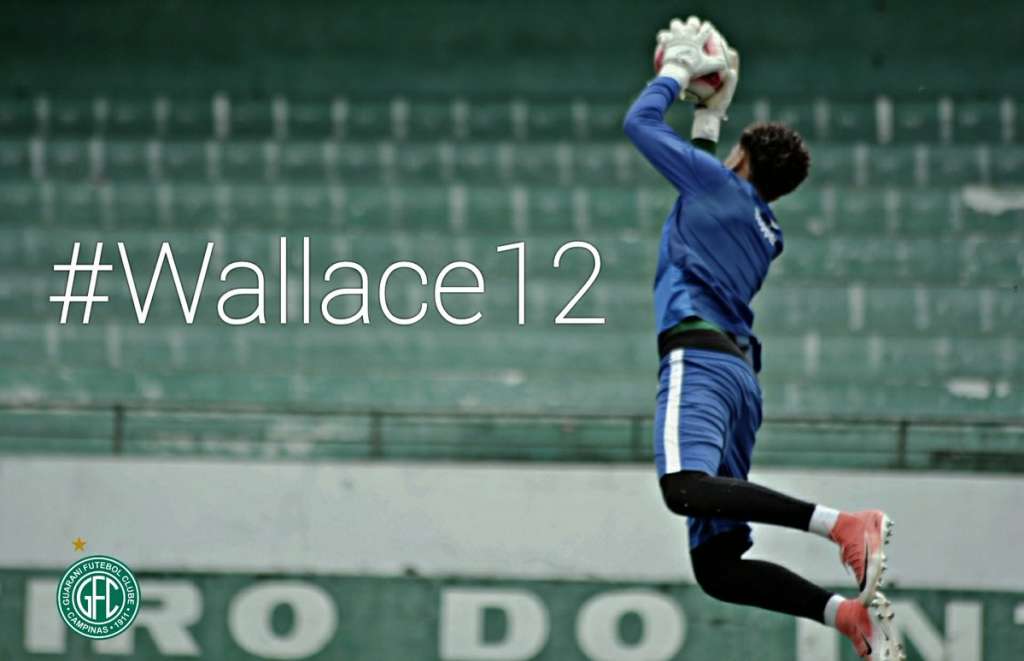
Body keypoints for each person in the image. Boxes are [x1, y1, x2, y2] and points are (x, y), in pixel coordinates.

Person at [623, 16, 905, 661]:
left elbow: (639, 126)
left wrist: (674, 73)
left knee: (681, 488)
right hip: (738, 381)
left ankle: (842, 525)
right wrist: (710, 119)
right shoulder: (765, 226)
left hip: (698, 356)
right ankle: (845, 614)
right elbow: (706, 182)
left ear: (740, 160)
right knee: (718, 568)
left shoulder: (716, 186)